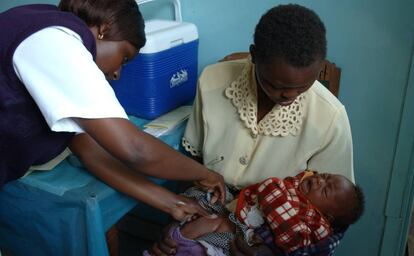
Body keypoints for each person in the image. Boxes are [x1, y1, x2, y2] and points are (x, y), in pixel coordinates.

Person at [151, 3, 355, 255]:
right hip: (208, 204)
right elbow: (195, 165)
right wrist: (178, 223)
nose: (289, 95)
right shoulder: (212, 80)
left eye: (303, 87)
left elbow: (331, 221)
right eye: (277, 84)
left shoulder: (330, 117)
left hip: (268, 231)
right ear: (254, 55)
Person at [0, 0, 226, 223]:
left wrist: (174, 204)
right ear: (104, 29)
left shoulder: (44, 28)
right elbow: (136, 150)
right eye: (124, 57)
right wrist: (206, 174)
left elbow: (91, 152)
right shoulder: (56, 41)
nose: (117, 73)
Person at [145, 171, 364, 256]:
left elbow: (300, 244)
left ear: (328, 216)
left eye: (325, 189)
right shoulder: (296, 184)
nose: (318, 180)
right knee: (206, 209)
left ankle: (181, 242)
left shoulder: (315, 223)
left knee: (214, 226)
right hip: (231, 208)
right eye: (324, 176)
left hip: (243, 240)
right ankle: (176, 238)